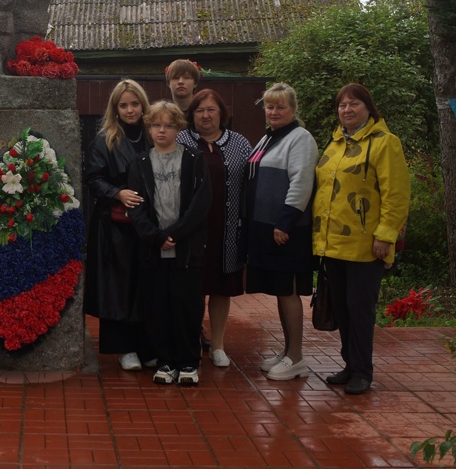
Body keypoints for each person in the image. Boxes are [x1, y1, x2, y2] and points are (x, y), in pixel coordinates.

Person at [313, 83, 411, 395]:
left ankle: (363, 371)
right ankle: (349, 364)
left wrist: (386, 236)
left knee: (360, 308)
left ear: (368, 108)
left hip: (367, 245)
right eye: (342, 105)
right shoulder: (334, 144)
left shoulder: (385, 143)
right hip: (333, 244)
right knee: (341, 307)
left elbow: (396, 194)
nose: (347, 110)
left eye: (354, 104)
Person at [127, 101, 211, 386]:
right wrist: (156, 236)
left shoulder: (193, 159)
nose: (162, 130)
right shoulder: (139, 163)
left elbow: (201, 204)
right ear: (149, 127)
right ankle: (165, 361)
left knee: (186, 305)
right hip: (154, 250)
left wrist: (176, 233)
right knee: (158, 306)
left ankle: (188, 362)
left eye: (168, 125)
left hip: (186, 249)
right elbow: (135, 208)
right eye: (156, 124)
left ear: (178, 128)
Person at [245, 82, 319, 381]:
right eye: (270, 106)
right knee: (279, 290)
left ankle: (297, 357)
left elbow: (302, 183)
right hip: (267, 228)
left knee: (288, 291)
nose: (274, 112)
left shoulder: (300, 139)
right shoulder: (269, 138)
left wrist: (284, 223)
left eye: (280, 107)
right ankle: (287, 350)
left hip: (286, 230)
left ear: (293, 109)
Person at [176, 89, 252, 368]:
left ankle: (218, 344)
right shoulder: (181, 140)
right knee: (192, 286)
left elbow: (250, 184)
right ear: (191, 115)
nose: (206, 115)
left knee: (221, 286)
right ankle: (192, 340)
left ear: (222, 113)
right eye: (199, 110)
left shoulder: (240, 143)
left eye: (211, 110)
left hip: (227, 228)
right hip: (191, 228)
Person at [83, 79, 154, 371]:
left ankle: (147, 345)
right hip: (115, 225)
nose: (130, 109)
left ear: (143, 105)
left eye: (134, 104)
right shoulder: (105, 138)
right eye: (123, 105)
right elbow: (93, 177)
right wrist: (117, 193)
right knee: (119, 286)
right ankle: (123, 348)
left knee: (146, 284)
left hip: (149, 223)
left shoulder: (154, 134)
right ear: (115, 108)